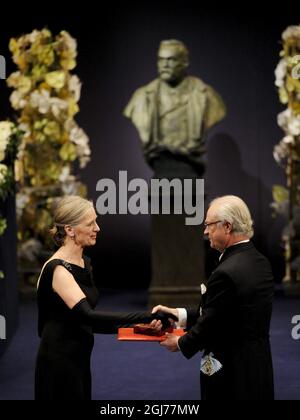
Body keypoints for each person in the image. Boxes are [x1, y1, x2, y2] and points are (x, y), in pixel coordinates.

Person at [34, 195, 172, 400]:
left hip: (79, 358)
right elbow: (89, 317)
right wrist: (145, 317)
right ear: (70, 230)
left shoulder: (85, 263)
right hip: (58, 362)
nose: (97, 228)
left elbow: (89, 324)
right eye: (90, 223)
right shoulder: (58, 270)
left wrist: (146, 329)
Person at [152, 195, 275, 400]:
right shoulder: (260, 261)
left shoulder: (226, 270)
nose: (205, 231)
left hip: (229, 373)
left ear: (227, 226)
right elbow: (227, 312)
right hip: (258, 366)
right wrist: (179, 314)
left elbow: (213, 322)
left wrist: (181, 342)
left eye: (209, 225)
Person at [124, 39, 226, 178]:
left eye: (171, 60)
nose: (165, 65)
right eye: (161, 60)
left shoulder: (206, 96)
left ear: (185, 63)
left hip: (189, 173)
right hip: (161, 171)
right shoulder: (142, 98)